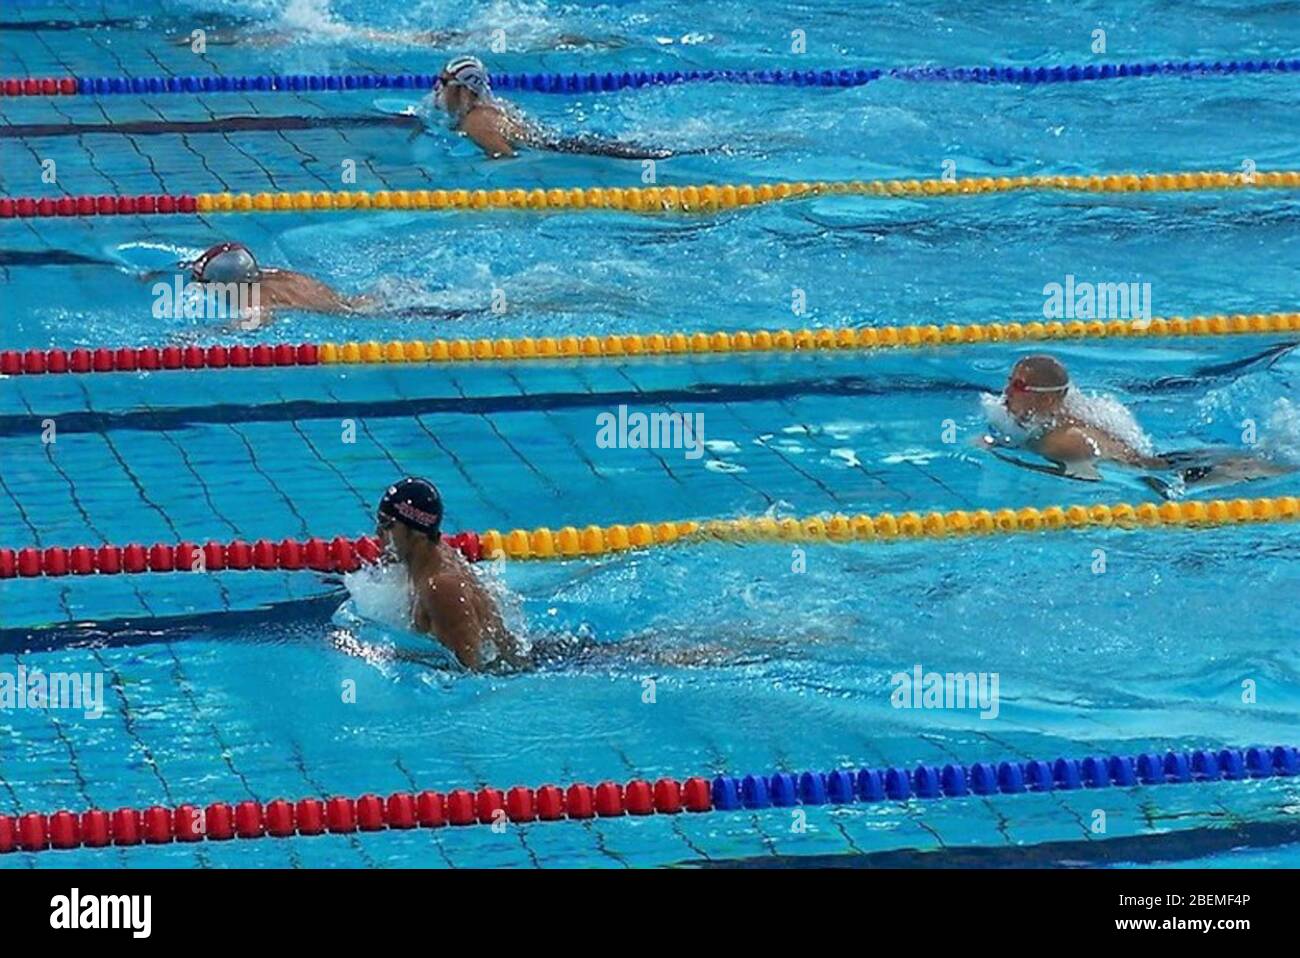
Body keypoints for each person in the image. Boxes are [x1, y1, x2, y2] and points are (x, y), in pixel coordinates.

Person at [982, 354, 1291, 492]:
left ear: (1048, 400)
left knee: (1276, 469)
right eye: (1010, 382)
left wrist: (997, 451)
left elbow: (1084, 481)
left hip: (1178, 478)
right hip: (1167, 463)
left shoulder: (1063, 440)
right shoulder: (1060, 414)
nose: (1007, 392)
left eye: (1020, 386)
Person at [376, 477, 527, 671]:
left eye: (387, 524)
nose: (378, 532)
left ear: (418, 532)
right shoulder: (427, 555)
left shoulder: (440, 588)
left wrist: (390, 655)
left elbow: (470, 671)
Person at [426, 55, 677, 160]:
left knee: (645, 155)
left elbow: (507, 159)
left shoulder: (477, 122)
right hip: (564, 143)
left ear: (462, 89)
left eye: (443, 82)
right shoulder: (486, 108)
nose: (437, 87)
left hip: (565, 152)